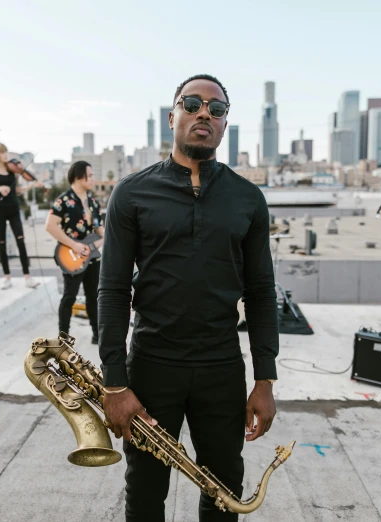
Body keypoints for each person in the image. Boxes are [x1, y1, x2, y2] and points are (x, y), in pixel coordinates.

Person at [98, 74, 279, 522]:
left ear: (224, 124)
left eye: (216, 109)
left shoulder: (248, 198)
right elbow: (113, 291)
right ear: (173, 114)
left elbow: (260, 293)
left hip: (221, 365)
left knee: (222, 491)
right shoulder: (131, 192)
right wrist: (115, 383)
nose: (205, 113)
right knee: (145, 490)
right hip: (151, 366)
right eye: (193, 103)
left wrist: (265, 380)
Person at [45, 161, 103, 344]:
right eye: (90, 175)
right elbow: (50, 226)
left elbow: (100, 230)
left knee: (93, 296)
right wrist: (74, 245)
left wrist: (111, 235)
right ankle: (63, 339)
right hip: (71, 257)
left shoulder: (93, 202)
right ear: (78, 176)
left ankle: (97, 334)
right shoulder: (63, 200)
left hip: (92, 259)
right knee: (69, 297)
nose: (93, 179)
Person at [0, 142, 41, 290]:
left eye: (6, 152)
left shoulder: (11, 169)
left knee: (21, 241)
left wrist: (31, 186)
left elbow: (17, 190)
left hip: (13, 208)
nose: (6, 155)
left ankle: (27, 277)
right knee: (2, 243)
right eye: (2, 153)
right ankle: (7, 277)